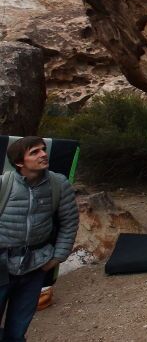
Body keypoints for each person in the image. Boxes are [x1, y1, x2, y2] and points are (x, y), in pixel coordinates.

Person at [1, 136, 78, 341]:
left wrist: (57, 257)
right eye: (34, 152)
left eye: (43, 149)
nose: (43, 154)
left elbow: (69, 222)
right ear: (19, 162)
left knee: (17, 331)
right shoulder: (3, 184)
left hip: (36, 265)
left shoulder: (58, 184)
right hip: (1, 263)